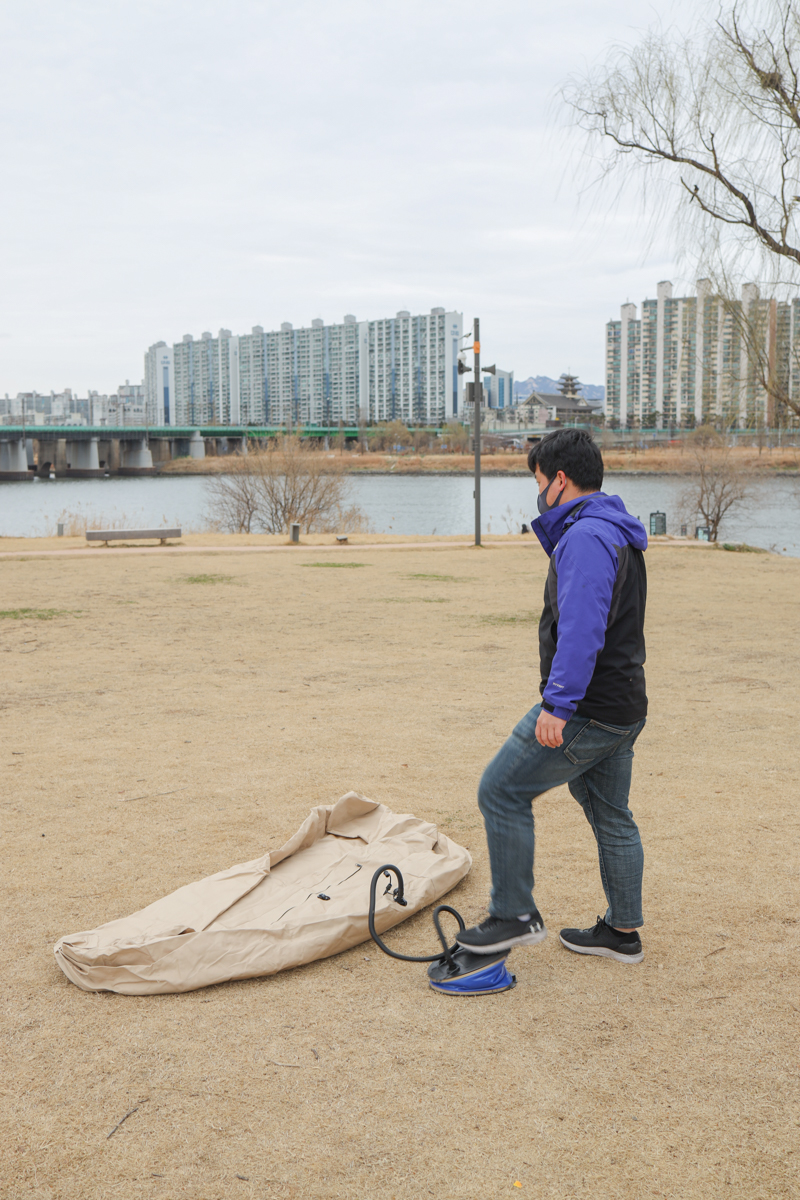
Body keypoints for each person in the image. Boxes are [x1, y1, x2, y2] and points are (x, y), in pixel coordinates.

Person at [457, 428, 649, 964]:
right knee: (610, 813)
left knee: (501, 790)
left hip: (587, 709)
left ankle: (513, 914)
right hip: (623, 706)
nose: (538, 492)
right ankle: (622, 932)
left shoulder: (588, 536)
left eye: (539, 481)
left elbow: (583, 628)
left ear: (559, 480)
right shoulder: (613, 526)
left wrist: (559, 705)